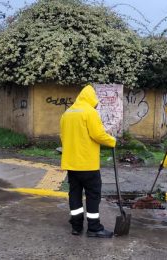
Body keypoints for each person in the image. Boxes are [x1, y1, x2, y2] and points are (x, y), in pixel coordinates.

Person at [60, 84, 116, 238]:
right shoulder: (89, 112)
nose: (97, 103)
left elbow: (63, 136)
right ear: (91, 98)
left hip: (71, 164)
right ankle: (94, 228)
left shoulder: (67, 113)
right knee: (93, 195)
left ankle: (76, 226)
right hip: (87, 164)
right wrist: (112, 141)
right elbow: (98, 135)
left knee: (75, 194)